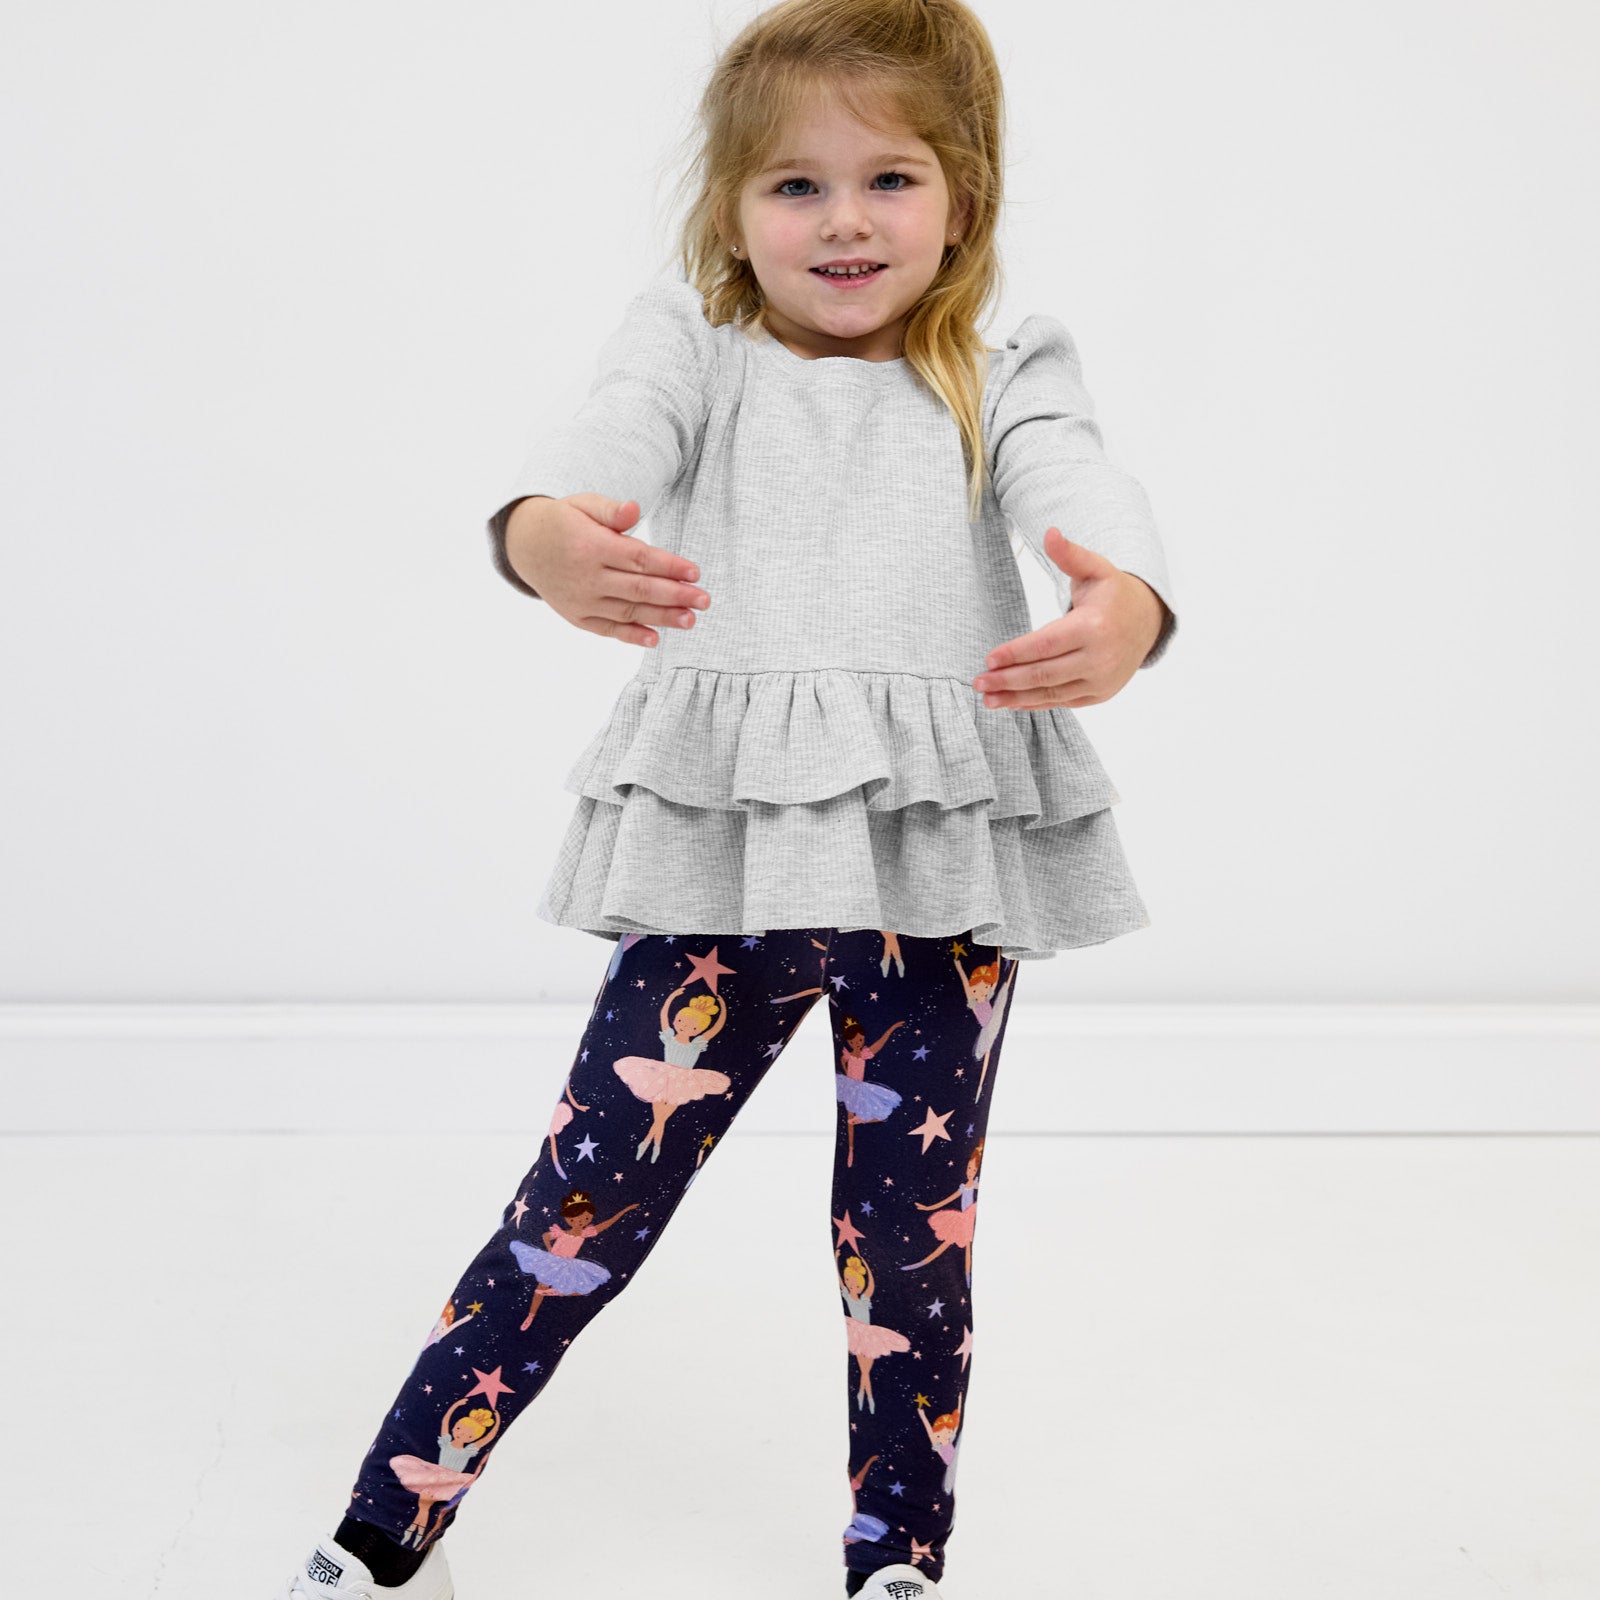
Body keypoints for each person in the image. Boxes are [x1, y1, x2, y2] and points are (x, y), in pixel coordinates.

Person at [276, 0, 1178, 1595]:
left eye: (892, 178)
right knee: (581, 1203)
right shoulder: (692, 348)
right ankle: (378, 1531)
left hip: (932, 860)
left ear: (963, 193)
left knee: (912, 1237)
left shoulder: (1003, 362)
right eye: (794, 187)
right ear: (729, 212)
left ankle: (896, 1555)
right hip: (725, 856)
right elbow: (598, 453)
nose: (845, 221)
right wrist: (546, 535)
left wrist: (1126, 605)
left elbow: (1079, 484)